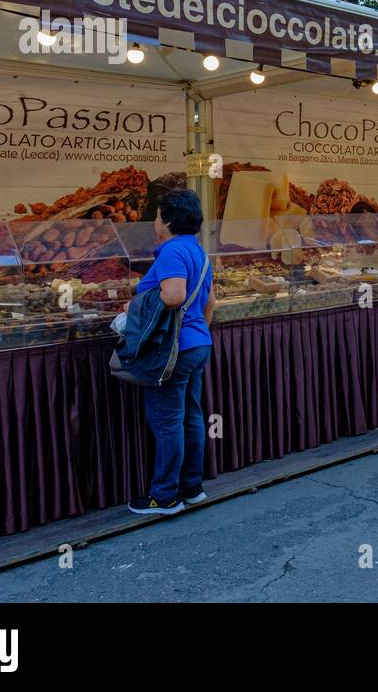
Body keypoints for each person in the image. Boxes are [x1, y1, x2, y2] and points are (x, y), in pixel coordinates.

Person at [130, 188, 215, 515]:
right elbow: (210, 304)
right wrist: (197, 335)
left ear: (166, 221)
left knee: (167, 422)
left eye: (157, 214)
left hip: (173, 351)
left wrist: (137, 305)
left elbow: (174, 295)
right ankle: (192, 487)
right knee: (191, 416)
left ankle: (164, 496)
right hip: (197, 344)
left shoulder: (171, 251)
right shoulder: (199, 252)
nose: (155, 221)